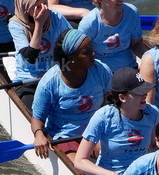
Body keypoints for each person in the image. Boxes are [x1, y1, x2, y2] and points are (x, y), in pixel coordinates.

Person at [30, 28, 111, 159]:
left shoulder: (101, 70)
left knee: (110, 157)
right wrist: (39, 135)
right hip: (65, 137)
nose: (93, 54)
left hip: (94, 131)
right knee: (80, 169)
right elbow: (37, 119)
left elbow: (110, 102)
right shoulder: (49, 83)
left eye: (91, 49)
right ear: (71, 57)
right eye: (86, 52)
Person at [75, 67, 159, 175]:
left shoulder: (153, 113)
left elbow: (153, 146)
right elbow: (79, 161)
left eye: (145, 90)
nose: (145, 94)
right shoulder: (103, 117)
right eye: (139, 92)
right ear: (122, 97)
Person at [8, 0, 72, 107]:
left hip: (54, 76)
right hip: (29, 80)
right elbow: (30, 57)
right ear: (27, 9)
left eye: (44, 4)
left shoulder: (56, 17)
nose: (43, 9)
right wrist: (39, 24)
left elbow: (72, 42)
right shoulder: (16, 25)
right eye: (37, 7)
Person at [77, 0, 148, 75]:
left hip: (128, 67)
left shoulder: (132, 12)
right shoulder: (89, 23)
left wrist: (148, 61)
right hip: (101, 72)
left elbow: (136, 44)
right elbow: (81, 53)